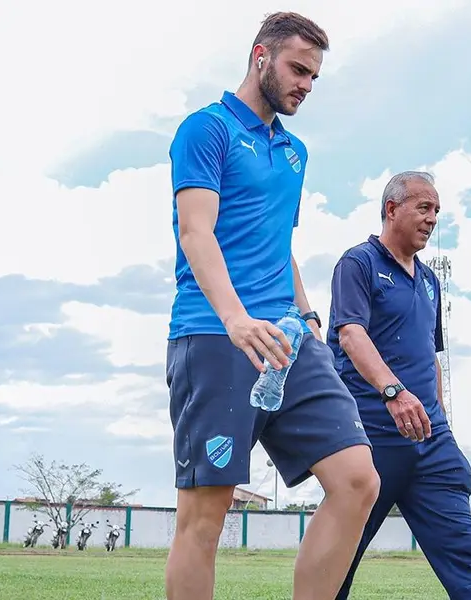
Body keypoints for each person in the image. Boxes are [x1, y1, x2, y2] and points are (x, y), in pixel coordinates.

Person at [164, 11, 380, 600]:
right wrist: (236, 318)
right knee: (206, 517)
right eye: (297, 69)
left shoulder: (294, 152)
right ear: (260, 56)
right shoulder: (204, 130)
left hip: (287, 340)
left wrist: (308, 317)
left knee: (358, 480)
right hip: (214, 333)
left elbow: (277, 243)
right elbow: (196, 231)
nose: (305, 85)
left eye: (314, 76)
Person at [328, 171, 471, 599]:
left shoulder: (429, 281)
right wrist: (393, 392)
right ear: (391, 209)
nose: (432, 218)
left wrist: (439, 421)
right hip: (372, 440)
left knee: (466, 564)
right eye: (424, 208)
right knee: (335, 565)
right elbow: (350, 334)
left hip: (431, 444)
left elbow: (431, 355)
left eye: (436, 211)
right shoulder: (358, 263)